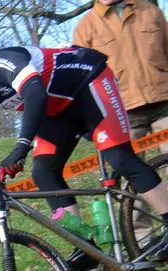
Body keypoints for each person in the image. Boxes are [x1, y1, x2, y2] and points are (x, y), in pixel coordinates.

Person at [0, 30, 168, 270]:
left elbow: (35, 94)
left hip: (89, 82)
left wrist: (21, 146)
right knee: (44, 172)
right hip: (58, 110)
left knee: (120, 158)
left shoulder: (2, 63)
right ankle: (85, 246)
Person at [73, 0, 168, 243]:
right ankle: (145, 240)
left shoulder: (150, 10)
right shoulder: (85, 27)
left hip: (164, 101)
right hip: (121, 113)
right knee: (133, 178)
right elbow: (78, 79)